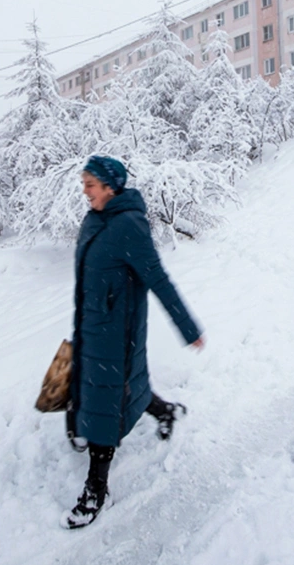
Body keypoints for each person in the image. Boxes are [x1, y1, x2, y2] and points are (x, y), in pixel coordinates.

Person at [62, 155, 205, 529]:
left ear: (110, 186)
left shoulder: (129, 226)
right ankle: (165, 411)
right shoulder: (95, 219)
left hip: (116, 336)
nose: (85, 191)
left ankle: (96, 488)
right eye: (84, 183)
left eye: (90, 184)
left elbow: (158, 279)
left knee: (106, 404)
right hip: (92, 326)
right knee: (120, 388)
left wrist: (189, 328)